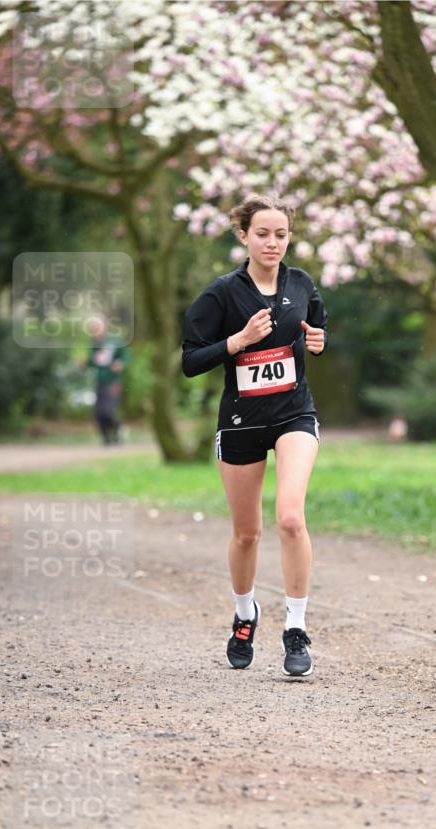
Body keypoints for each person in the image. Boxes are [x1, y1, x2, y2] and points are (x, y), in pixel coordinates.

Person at [182, 194, 328, 678]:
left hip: (294, 415)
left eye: (281, 234)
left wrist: (318, 341)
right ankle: (245, 615)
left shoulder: (302, 283)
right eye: (262, 233)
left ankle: (296, 629)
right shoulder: (221, 294)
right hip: (242, 420)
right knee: (247, 533)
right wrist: (237, 342)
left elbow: (316, 327)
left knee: (290, 518)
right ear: (243, 235)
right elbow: (190, 361)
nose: (272, 242)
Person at [87, 317, 129, 444]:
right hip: (100, 380)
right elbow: (94, 361)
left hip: (113, 380)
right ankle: (106, 438)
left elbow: (126, 355)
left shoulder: (114, 340)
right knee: (98, 412)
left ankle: (119, 429)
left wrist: (120, 363)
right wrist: (84, 363)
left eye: (97, 327)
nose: (95, 330)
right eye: (93, 328)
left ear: (104, 327)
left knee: (108, 410)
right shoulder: (94, 343)